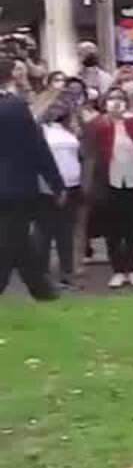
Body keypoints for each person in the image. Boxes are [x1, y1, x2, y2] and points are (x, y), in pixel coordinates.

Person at [0, 57, 65, 301]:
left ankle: (42, 291)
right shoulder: (15, 106)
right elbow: (36, 147)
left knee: (18, 240)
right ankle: (42, 290)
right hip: (15, 186)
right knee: (12, 242)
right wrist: (56, 183)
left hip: (11, 184)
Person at [85, 84, 133, 289]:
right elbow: (91, 140)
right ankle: (117, 269)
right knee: (113, 229)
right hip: (110, 182)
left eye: (120, 99)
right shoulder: (99, 124)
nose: (116, 102)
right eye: (111, 98)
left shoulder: (132, 124)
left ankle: (132, 269)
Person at [37, 100, 84, 289]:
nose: (58, 110)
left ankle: (66, 273)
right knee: (45, 232)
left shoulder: (70, 131)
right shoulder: (40, 130)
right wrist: (56, 188)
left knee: (65, 233)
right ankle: (42, 275)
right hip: (48, 188)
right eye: (53, 106)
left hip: (72, 186)